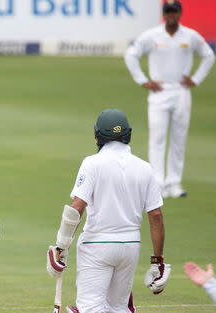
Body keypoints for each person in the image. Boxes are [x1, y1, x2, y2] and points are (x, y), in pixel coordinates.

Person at [46, 109, 171, 313]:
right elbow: (156, 216)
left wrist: (60, 247)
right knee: (119, 308)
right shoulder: (145, 168)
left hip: (97, 245)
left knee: (90, 308)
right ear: (127, 135)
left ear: (97, 137)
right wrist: (158, 261)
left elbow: (76, 208)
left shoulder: (92, 163)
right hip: (130, 246)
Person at [124, 0, 215, 198]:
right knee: (157, 138)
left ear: (180, 14)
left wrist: (196, 79)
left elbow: (208, 55)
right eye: (168, 12)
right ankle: (157, 183)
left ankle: (174, 183)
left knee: (178, 138)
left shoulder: (189, 36)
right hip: (159, 92)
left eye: (175, 12)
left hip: (181, 91)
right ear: (164, 14)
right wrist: (143, 81)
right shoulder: (152, 35)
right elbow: (131, 54)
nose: (171, 15)